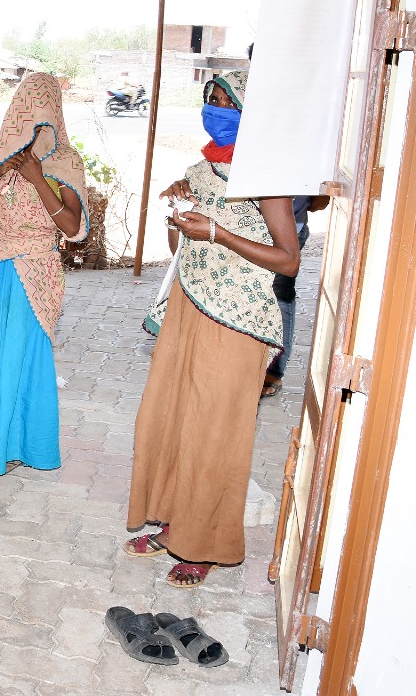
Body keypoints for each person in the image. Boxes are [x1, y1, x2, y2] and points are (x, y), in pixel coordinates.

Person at [124, 70, 301, 588]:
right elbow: (186, 236)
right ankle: (175, 524)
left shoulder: (265, 178)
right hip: (189, 307)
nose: (218, 110)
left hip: (239, 323)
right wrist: (180, 209)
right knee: (175, 417)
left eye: (229, 102)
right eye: (213, 100)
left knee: (215, 431)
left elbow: (288, 261)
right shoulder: (202, 169)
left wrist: (217, 231)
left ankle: (205, 541)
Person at [0, 73, 88, 474]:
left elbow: (71, 227)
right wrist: (1, 170)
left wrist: (35, 177)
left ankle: (13, 449)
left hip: (34, 271)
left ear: (54, 112)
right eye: (25, 108)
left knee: (19, 356)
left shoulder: (65, 161)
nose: (33, 117)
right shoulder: (8, 155)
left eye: (41, 107)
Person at [262, 194, 328, 396]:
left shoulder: (308, 162)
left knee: (280, 295)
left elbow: (320, 201)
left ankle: (274, 368)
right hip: (247, 232)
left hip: (288, 235)